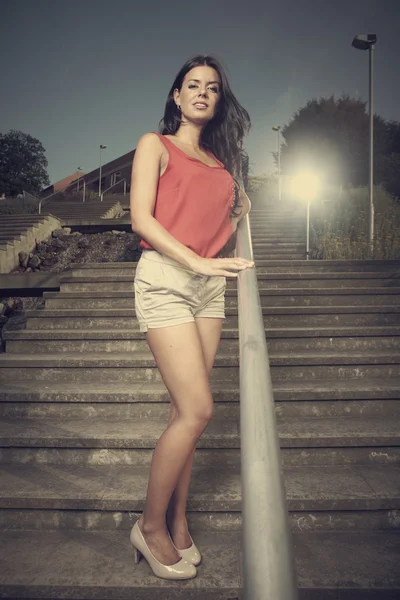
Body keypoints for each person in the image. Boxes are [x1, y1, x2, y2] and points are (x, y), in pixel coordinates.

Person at [129, 54, 253, 580]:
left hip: (208, 290)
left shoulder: (223, 168)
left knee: (190, 416)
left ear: (219, 101)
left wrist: (237, 210)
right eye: (192, 85)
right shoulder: (153, 145)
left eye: (213, 88)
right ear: (176, 97)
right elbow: (141, 218)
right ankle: (150, 525)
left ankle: (180, 521)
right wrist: (196, 260)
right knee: (198, 409)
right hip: (165, 279)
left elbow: (218, 226)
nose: (202, 92)